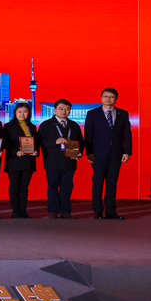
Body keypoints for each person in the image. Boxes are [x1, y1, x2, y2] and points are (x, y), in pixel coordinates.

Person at [84, 87, 133, 220]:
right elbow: (88, 134)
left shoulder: (123, 113)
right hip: (98, 154)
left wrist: (127, 152)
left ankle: (111, 212)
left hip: (116, 153)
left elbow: (127, 134)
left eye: (111, 96)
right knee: (98, 182)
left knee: (112, 183)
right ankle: (98, 211)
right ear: (101, 98)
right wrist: (89, 152)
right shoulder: (92, 114)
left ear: (116, 99)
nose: (108, 99)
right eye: (105, 96)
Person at [39, 99, 84, 219]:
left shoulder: (74, 125)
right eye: (61, 108)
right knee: (52, 187)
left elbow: (80, 141)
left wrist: (79, 153)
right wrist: (55, 141)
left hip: (69, 161)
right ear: (54, 110)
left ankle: (65, 211)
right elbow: (40, 142)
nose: (64, 111)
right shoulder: (46, 124)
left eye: (67, 109)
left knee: (67, 187)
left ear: (70, 110)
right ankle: (53, 211)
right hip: (52, 161)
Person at [3, 102, 40, 219]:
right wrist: (15, 152)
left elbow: (36, 142)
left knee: (24, 187)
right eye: (19, 112)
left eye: (25, 112)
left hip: (28, 160)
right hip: (14, 160)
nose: (22, 114)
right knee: (14, 186)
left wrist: (36, 151)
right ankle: (15, 211)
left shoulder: (32, 127)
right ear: (15, 113)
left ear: (29, 113)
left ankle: (23, 210)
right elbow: (6, 143)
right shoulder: (8, 126)